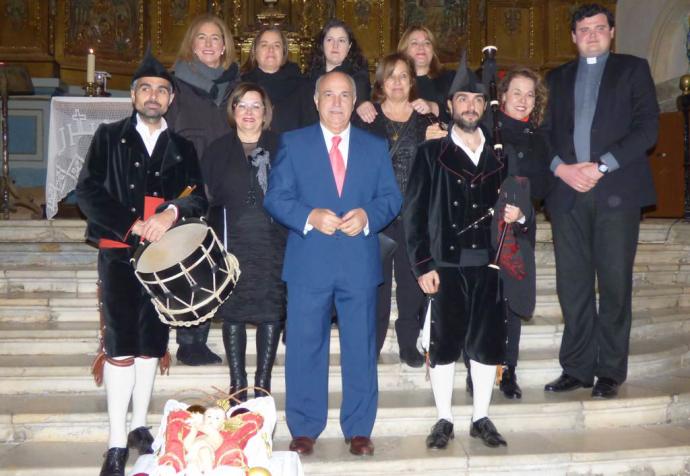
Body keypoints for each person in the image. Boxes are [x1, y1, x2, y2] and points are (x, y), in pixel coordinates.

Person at [76, 50, 207, 476]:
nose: (154, 96)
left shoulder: (183, 146)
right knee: (120, 343)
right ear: (133, 95)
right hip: (118, 253)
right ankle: (115, 444)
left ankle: (139, 425)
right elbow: (88, 192)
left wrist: (171, 213)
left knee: (152, 342)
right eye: (146, 89)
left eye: (162, 91)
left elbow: (198, 196)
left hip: (164, 259)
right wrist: (132, 223)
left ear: (170, 99)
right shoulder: (108, 136)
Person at [264, 71, 401, 457]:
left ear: (354, 101)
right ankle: (305, 427)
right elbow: (276, 198)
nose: (337, 103)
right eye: (329, 95)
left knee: (360, 346)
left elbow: (391, 198)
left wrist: (368, 216)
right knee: (306, 347)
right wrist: (309, 217)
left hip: (358, 262)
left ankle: (359, 428)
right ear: (316, 99)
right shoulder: (294, 142)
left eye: (344, 95)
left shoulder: (375, 147)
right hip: (310, 263)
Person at [403, 54, 525, 449]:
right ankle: (443, 418)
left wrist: (518, 214)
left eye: (475, 100)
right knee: (444, 345)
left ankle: (481, 417)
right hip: (447, 263)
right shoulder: (430, 154)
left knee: (488, 344)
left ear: (482, 107)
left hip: (489, 264)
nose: (469, 106)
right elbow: (415, 214)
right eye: (462, 100)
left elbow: (521, 210)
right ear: (450, 106)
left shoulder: (501, 156)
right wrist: (422, 264)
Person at [542, 3, 659, 399]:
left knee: (614, 284)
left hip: (616, 192)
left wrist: (601, 166)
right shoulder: (555, 78)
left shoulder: (633, 69)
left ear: (611, 32)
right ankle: (576, 367)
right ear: (573, 36)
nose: (591, 34)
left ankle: (609, 370)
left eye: (599, 27)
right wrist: (562, 169)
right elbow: (541, 134)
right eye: (583, 29)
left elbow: (647, 129)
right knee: (572, 286)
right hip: (566, 195)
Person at [200, 83, 285, 402]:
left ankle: (263, 383)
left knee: (270, 311)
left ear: (266, 113)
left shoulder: (283, 147)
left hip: (272, 242)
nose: (249, 112)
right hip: (230, 242)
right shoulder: (217, 149)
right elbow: (205, 198)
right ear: (233, 111)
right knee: (233, 311)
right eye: (242, 105)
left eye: (256, 106)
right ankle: (237, 383)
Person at [166, 13, 240, 366]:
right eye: (202, 38)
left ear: (225, 45)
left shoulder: (237, 85)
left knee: (215, 262)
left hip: (228, 184)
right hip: (188, 188)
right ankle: (188, 341)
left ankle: (206, 335)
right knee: (188, 261)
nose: (209, 44)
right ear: (191, 45)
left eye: (216, 38)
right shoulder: (174, 86)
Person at [354, 53, 435, 366]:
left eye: (403, 76)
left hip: (416, 213)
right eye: (391, 76)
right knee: (376, 285)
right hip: (376, 214)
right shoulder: (366, 117)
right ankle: (371, 347)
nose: (398, 82)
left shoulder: (426, 118)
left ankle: (407, 344)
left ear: (411, 81)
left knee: (413, 284)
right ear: (381, 82)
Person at [489, 66, 552, 398]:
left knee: (513, 303)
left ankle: (508, 369)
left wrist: (524, 212)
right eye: (517, 92)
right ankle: (481, 368)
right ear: (502, 96)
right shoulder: (488, 131)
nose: (523, 100)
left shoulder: (540, 137)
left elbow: (543, 186)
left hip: (520, 230)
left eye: (530, 94)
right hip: (486, 231)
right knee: (486, 302)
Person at [241, 26, 311, 133]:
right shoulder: (241, 86)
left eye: (276, 45)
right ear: (255, 51)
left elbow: (308, 129)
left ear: (284, 52)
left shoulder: (302, 87)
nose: (271, 50)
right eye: (264, 45)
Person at [307, 19, 375, 123]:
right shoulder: (310, 77)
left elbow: (361, 88)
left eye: (341, 40)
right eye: (330, 40)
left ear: (349, 46)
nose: (335, 45)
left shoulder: (359, 77)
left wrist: (362, 103)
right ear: (322, 44)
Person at [397, 25, 455, 122]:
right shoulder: (394, 81)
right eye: (414, 43)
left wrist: (433, 108)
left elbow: (463, 115)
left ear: (433, 51)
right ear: (404, 51)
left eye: (427, 43)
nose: (421, 47)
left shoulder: (450, 78)